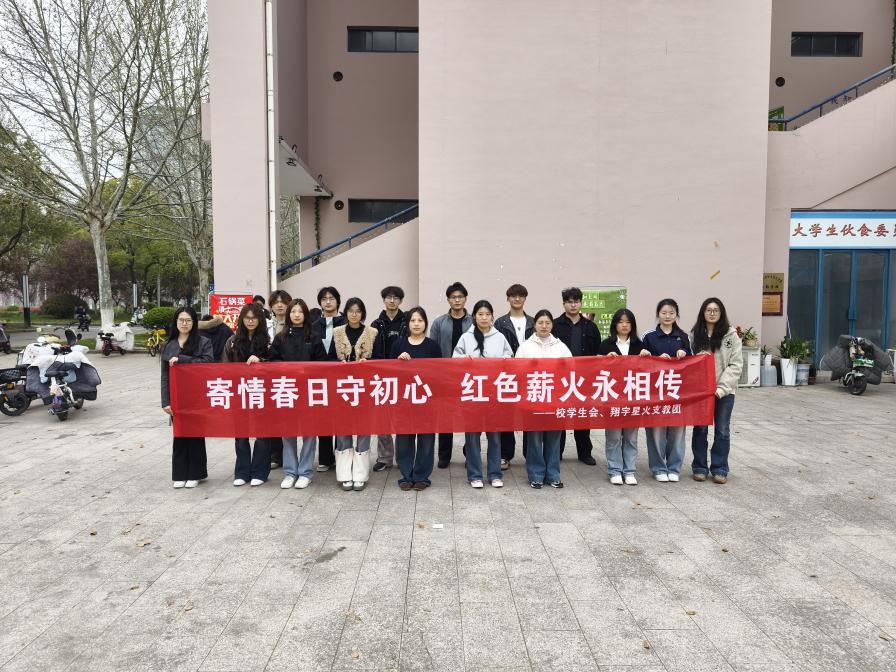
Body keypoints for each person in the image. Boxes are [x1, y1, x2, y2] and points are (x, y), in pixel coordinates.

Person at [453, 299, 513, 488]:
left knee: (494, 437)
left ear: (492, 317)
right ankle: (474, 475)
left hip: (493, 394)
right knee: (472, 437)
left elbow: (510, 357)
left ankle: (495, 474)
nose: (484, 318)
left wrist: (505, 360)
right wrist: (464, 358)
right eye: (480, 314)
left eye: (487, 314)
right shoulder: (466, 337)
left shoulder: (500, 337)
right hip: (472, 394)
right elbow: (454, 359)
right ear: (474, 317)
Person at [269, 298, 328, 489]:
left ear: (305, 315)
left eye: (300, 312)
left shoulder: (314, 336)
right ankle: (290, 472)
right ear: (289, 314)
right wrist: (287, 369)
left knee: (309, 434)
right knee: (288, 434)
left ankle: (305, 472)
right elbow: (272, 361)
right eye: (293, 311)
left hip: (308, 392)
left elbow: (323, 363)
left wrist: (307, 371)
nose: (296, 315)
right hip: (287, 390)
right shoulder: (281, 337)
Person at [516, 310, 571, 489]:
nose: (544, 326)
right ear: (534, 325)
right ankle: (536, 475)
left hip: (555, 399)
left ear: (552, 325)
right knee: (534, 438)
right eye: (540, 322)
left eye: (547, 323)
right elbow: (516, 372)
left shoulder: (561, 347)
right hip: (533, 399)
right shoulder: (525, 347)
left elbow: (571, 370)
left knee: (554, 438)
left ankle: (553, 474)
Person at [690, 297, 742, 485]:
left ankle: (720, 468)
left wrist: (721, 389)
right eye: (708, 310)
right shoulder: (694, 335)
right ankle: (699, 468)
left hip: (725, 392)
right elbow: (688, 362)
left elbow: (736, 365)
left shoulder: (731, 335)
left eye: (716, 310)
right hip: (701, 392)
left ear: (721, 313)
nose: (712, 313)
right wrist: (696, 357)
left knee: (722, 430)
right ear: (703, 313)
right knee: (700, 429)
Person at [161, 306, 214, 488]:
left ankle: (196, 474)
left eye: (188, 320)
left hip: (197, 395)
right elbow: (165, 376)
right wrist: (165, 401)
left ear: (194, 322)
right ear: (176, 322)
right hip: (177, 396)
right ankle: (180, 474)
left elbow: (208, 363)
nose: (184, 323)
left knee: (195, 434)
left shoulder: (203, 342)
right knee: (180, 434)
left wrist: (183, 359)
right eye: (181, 320)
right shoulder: (169, 345)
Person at [391, 306, 442, 490]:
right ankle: (406, 475)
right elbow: (389, 372)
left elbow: (440, 373)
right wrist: (399, 362)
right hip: (404, 400)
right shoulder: (398, 345)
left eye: (420, 320)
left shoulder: (433, 346)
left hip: (426, 401)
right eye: (413, 320)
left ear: (425, 323)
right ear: (407, 324)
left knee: (426, 440)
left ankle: (421, 476)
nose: (416, 324)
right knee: (404, 441)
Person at [641, 298, 691, 482]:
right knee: (656, 430)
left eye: (671, 313)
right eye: (664, 312)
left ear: (677, 315)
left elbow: (693, 364)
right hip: (655, 391)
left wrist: (685, 354)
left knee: (677, 431)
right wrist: (653, 357)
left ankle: (674, 468)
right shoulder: (649, 336)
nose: (667, 316)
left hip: (678, 392)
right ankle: (658, 467)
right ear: (658, 314)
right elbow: (640, 362)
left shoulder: (684, 337)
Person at [223, 303, 272, 486]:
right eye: (247, 318)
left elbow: (275, 365)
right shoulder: (232, 341)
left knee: (263, 433)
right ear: (242, 320)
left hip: (261, 393)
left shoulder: (267, 342)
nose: (250, 321)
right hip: (240, 393)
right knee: (241, 434)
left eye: (254, 318)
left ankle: (260, 471)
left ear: (260, 320)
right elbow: (224, 368)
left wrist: (261, 360)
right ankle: (242, 471)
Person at [332, 297, 378, 491]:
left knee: (363, 431)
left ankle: (360, 474)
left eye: (358, 311)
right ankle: (344, 474)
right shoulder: (337, 332)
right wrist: (338, 364)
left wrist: (369, 363)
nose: (354, 314)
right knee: (343, 430)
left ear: (363, 313)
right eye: (351, 310)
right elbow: (328, 359)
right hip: (342, 389)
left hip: (365, 389)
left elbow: (380, 359)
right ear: (346, 312)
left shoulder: (372, 333)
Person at [552, 287, 601, 465]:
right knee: (560, 415)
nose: (573, 305)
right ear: (563, 304)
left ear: (581, 303)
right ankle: (557, 452)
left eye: (576, 301)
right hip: (561, 378)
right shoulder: (555, 325)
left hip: (584, 378)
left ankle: (584, 452)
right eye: (569, 302)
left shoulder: (590, 326)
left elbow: (597, 352)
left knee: (582, 415)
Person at [598, 308, 646, 486]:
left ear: (632, 325)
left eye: (627, 322)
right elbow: (596, 369)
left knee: (631, 437)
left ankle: (630, 470)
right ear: (615, 325)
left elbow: (648, 371)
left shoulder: (640, 345)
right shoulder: (606, 344)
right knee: (614, 437)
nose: (624, 325)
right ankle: (615, 470)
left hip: (633, 398)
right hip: (612, 398)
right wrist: (604, 359)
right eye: (620, 322)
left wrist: (647, 358)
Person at [429, 282, 473, 469]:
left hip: (469, 376)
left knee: (470, 416)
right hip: (445, 376)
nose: (457, 300)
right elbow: (432, 348)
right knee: (445, 416)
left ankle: (470, 453)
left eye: (460, 297)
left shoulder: (473, 321)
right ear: (448, 300)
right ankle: (444, 455)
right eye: (453, 297)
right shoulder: (439, 323)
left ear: (465, 299)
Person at [494, 284, 534, 470]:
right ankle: (505, 454)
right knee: (506, 415)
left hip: (530, 376)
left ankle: (530, 454)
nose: (517, 299)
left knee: (529, 414)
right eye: (513, 296)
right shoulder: (500, 323)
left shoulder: (534, 322)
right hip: (507, 376)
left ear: (525, 298)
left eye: (521, 296)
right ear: (507, 298)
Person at [371, 286, 407, 473]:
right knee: (382, 418)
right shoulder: (376, 324)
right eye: (388, 297)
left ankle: (403, 456)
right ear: (383, 300)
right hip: (382, 376)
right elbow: (372, 349)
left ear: (401, 300)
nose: (392, 301)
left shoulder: (407, 321)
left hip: (403, 376)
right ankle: (384, 458)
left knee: (402, 418)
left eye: (396, 298)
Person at [312, 286, 345, 472]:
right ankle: (325, 458)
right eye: (324, 299)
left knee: (341, 418)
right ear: (320, 302)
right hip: (319, 379)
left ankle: (341, 454)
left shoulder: (346, 322)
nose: (328, 302)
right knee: (322, 418)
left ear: (338, 301)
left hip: (341, 379)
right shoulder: (314, 325)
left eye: (331, 298)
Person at [266, 290, 292, 469]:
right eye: (276, 302)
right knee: (273, 417)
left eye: (283, 302)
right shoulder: (265, 325)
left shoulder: (295, 323)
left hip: (290, 377)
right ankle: (276, 455)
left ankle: (290, 455)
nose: (280, 305)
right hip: (270, 376)